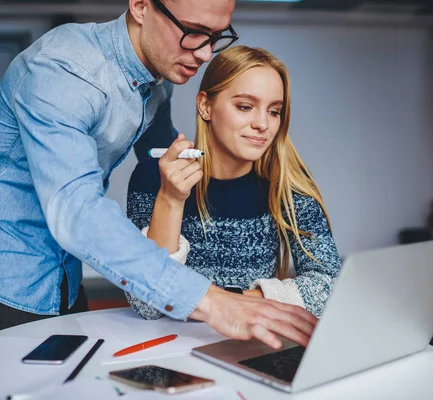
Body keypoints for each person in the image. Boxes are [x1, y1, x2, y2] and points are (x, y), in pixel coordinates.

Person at [0, 0, 316, 349]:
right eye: (193, 31)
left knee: (74, 377)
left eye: (217, 37)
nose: (204, 54)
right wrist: (213, 301)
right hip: (5, 268)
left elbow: (163, 151)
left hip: (63, 272)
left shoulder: (159, 75)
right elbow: (77, 212)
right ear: (140, 5)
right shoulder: (64, 72)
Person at [126, 46, 341, 322]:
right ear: (205, 106)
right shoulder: (152, 179)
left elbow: (329, 287)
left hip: (252, 350)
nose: (263, 124)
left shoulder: (288, 186)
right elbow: (147, 305)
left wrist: (231, 301)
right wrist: (171, 198)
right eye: (245, 107)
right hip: (169, 354)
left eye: (274, 111)